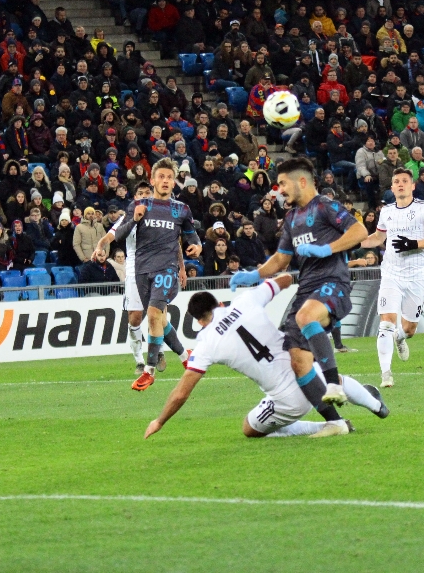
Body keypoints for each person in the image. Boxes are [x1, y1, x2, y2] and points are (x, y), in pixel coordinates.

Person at [145, 274, 388, 440]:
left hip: (287, 402)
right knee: (334, 380)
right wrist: (262, 275)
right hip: (309, 376)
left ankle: (327, 425)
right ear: (219, 303)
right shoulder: (245, 301)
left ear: (198, 321)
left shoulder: (205, 343)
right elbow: (283, 280)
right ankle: (375, 405)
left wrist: (159, 421)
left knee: (249, 429)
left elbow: (182, 392)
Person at [230, 157, 368, 438]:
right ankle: (337, 421)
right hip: (305, 288)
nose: (278, 189)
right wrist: (254, 275)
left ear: (301, 181)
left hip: (332, 282)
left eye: (282, 183)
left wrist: (327, 249)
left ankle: (335, 386)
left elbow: (359, 231)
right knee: (297, 361)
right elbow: (281, 259)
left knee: (306, 318)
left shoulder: (326, 206)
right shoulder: (292, 218)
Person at [94, 162, 202, 383]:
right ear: (153, 180)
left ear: (174, 181)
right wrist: (134, 218)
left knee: (153, 314)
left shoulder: (182, 209)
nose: (165, 180)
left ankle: (148, 370)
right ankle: (185, 356)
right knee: (160, 319)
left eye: (169, 177)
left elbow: (190, 235)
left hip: (167, 269)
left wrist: (197, 246)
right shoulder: (139, 205)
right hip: (141, 270)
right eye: (160, 176)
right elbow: (121, 234)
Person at [358, 168, 424, 387]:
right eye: (396, 181)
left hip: (416, 276)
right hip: (391, 274)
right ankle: (386, 374)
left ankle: (400, 337)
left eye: (405, 181)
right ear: (392, 187)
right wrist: (351, 243)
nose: (401, 184)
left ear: (412, 185)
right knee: (386, 322)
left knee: (409, 329)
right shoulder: (386, 211)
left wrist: (413, 244)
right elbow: (378, 237)